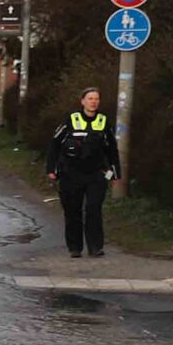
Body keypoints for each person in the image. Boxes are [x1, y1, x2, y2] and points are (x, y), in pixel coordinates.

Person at [44, 87, 118, 258]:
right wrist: (51, 170)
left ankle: (95, 247)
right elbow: (54, 145)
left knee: (94, 209)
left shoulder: (104, 121)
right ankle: (75, 247)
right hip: (71, 173)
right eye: (90, 98)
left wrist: (115, 173)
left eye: (96, 99)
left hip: (95, 174)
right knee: (72, 211)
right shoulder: (71, 120)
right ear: (82, 101)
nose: (94, 102)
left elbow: (112, 149)